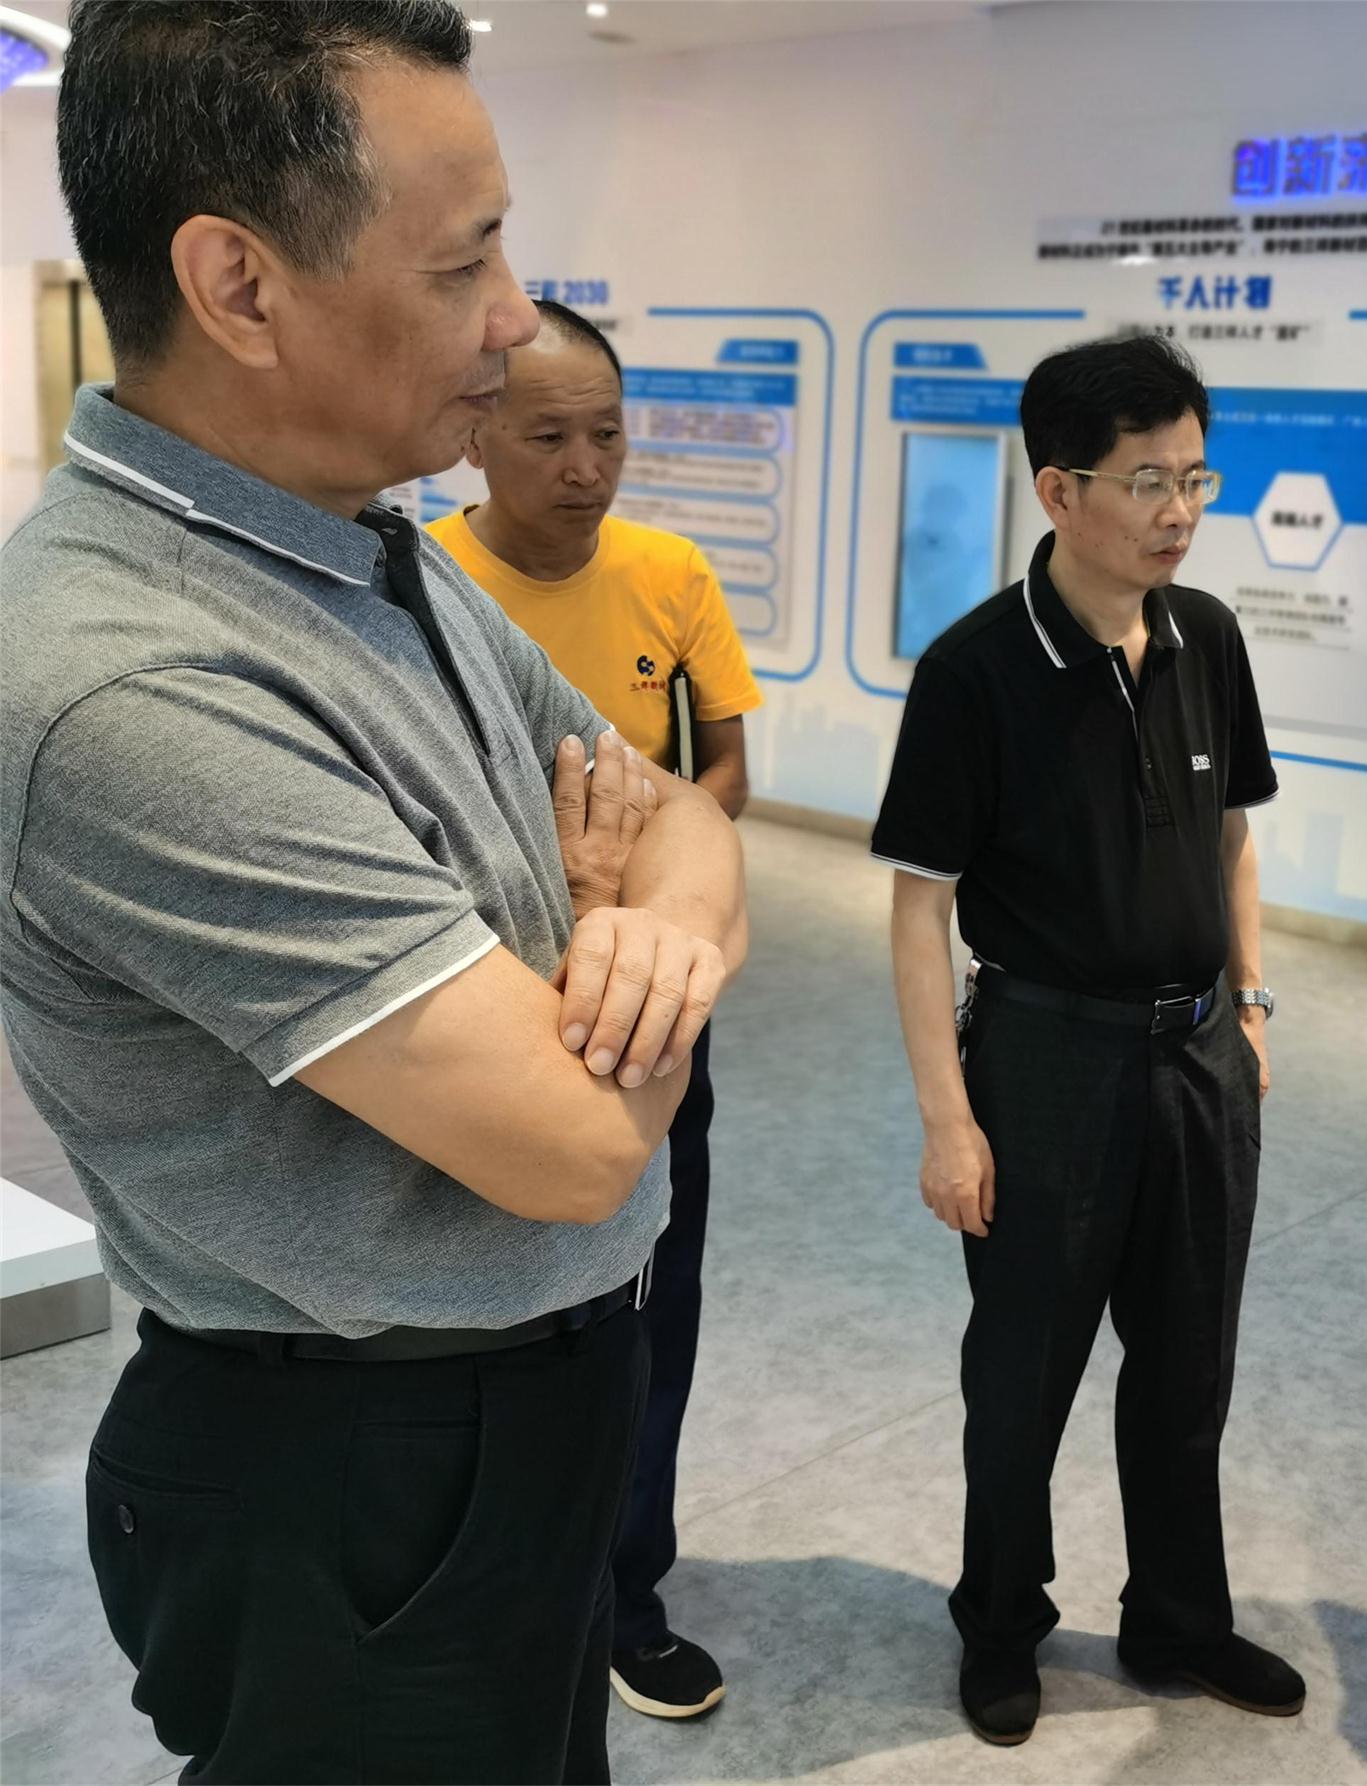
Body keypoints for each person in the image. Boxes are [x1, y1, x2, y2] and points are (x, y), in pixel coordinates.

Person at [0, 5, 747, 1780]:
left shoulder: (371, 544)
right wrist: (620, 925)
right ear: (240, 287)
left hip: (524, 1397)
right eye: (464, 260)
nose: (513, 319)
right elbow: (574, 1145)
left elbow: (687, 819)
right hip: (357, 1472)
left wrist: (646, 921)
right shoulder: (133, 678)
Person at [870, 333, 1301, 1747]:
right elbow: (921, 908)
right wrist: (949, 1118)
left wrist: (1248, 1001)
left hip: (1200, 1061)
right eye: (1147, 482)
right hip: (1045, 1066)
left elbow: (1232, 834)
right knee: (1023, 1375)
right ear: (1059, 489)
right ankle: (1000, 1620)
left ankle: (1178, 1615)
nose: (1179, 511)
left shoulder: (1206, 636)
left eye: (1195, 477)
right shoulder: (976, 671)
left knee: (1188, 1369)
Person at [428, 299, 763, 1723]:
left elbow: (724, 773)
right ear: (475, 435)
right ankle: (487, 1577)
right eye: (549, 436)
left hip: (654, 994)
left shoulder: (669, 573)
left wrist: (646, 891)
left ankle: (628, 1590)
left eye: (608, 434)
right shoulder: (425, 582)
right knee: (489, 1305)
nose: (585, 467)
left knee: (652, 1292)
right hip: (480, 1000)